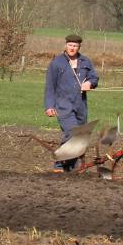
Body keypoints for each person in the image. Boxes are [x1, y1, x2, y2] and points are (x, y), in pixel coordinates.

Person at [44, 33, 99, 172]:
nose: (72, 48)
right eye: (70, 45)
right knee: (72, 132)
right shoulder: (57, 63)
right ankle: (59, 163)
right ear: (66, 45)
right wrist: (49, 106)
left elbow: (94, 78)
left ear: (79, 47)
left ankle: (71, 166)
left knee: (80, 136)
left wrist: (90, 83)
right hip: (63, 104)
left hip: (81, 105)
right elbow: (50, 86)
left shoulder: (86, 62)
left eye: (75, 45)